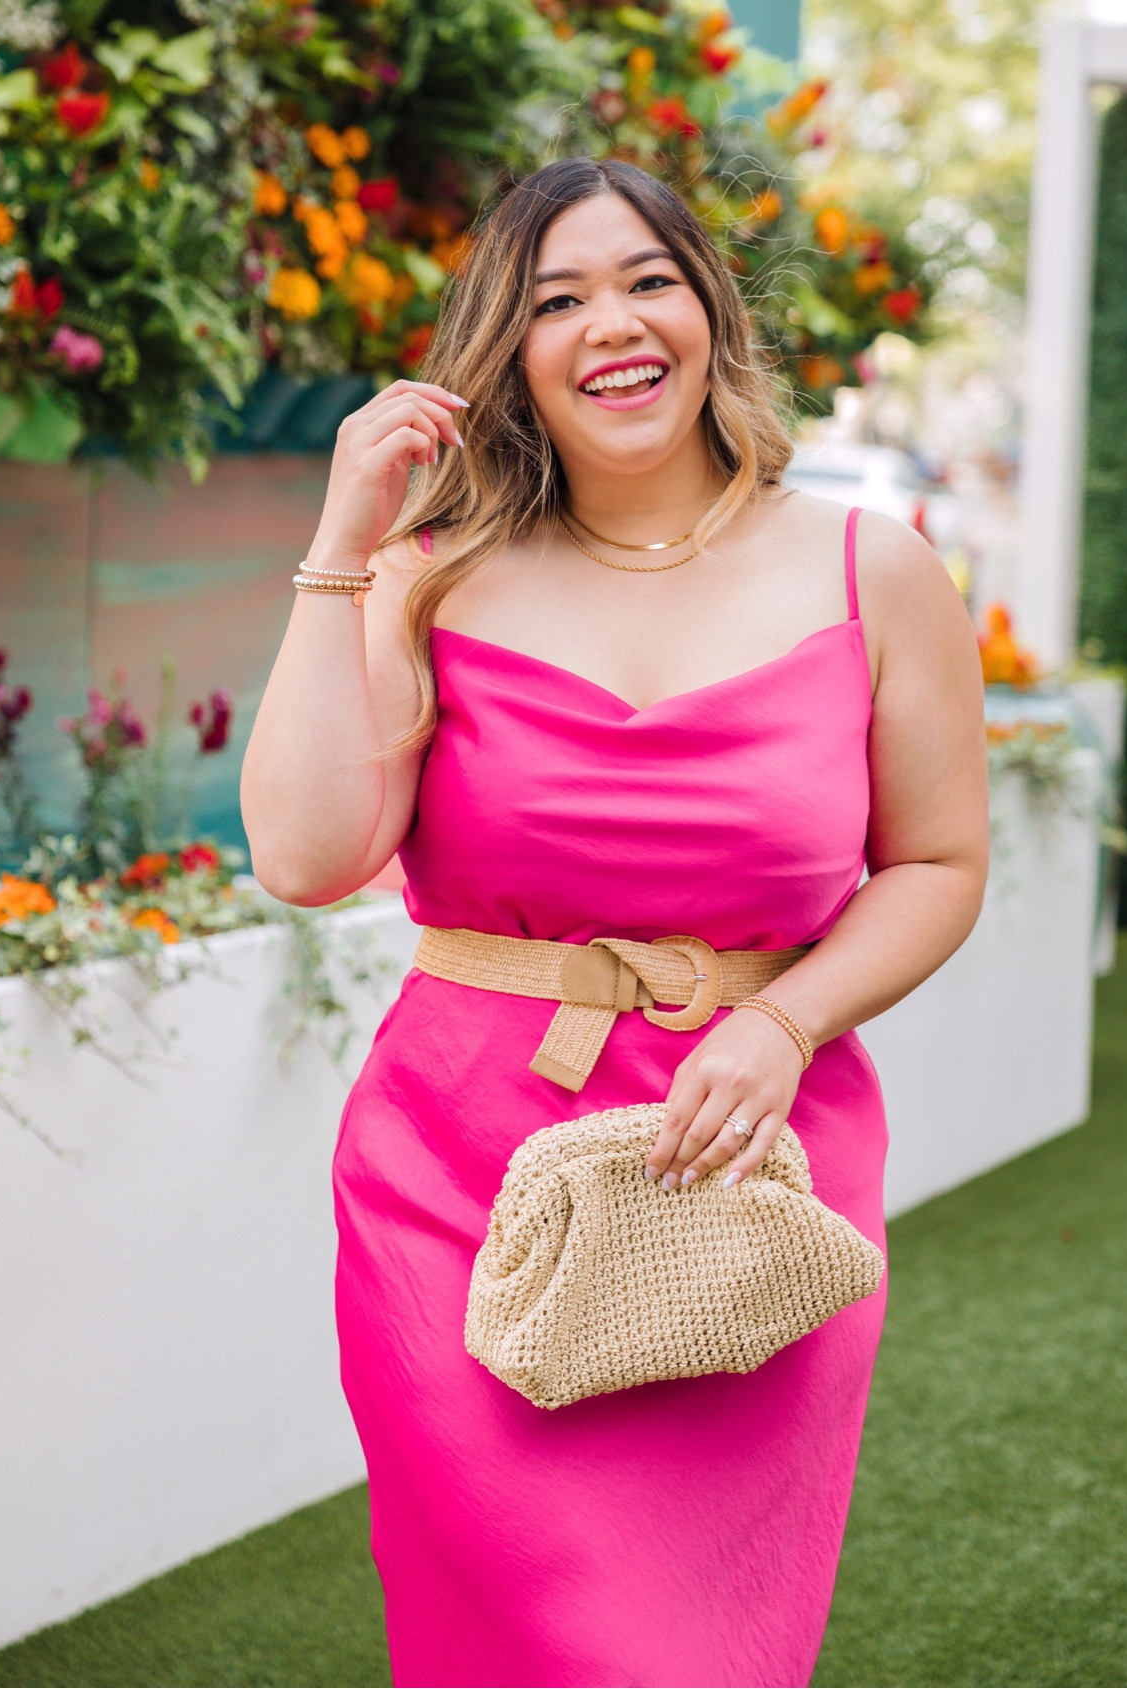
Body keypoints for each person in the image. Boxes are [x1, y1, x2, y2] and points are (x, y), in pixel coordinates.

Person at [241, 157, 988, 1689]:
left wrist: (781, 1020)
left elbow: (938, 864)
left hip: (755, 1162)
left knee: (693, 1654)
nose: (610, 323)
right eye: (555, 297)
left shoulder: (875, 567)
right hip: (458, 1183)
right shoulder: (428, 577)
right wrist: (347, 539)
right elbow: (307, 853)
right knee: (511, 1639)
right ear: (505, 351)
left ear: (708, 309)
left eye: (645, 278)